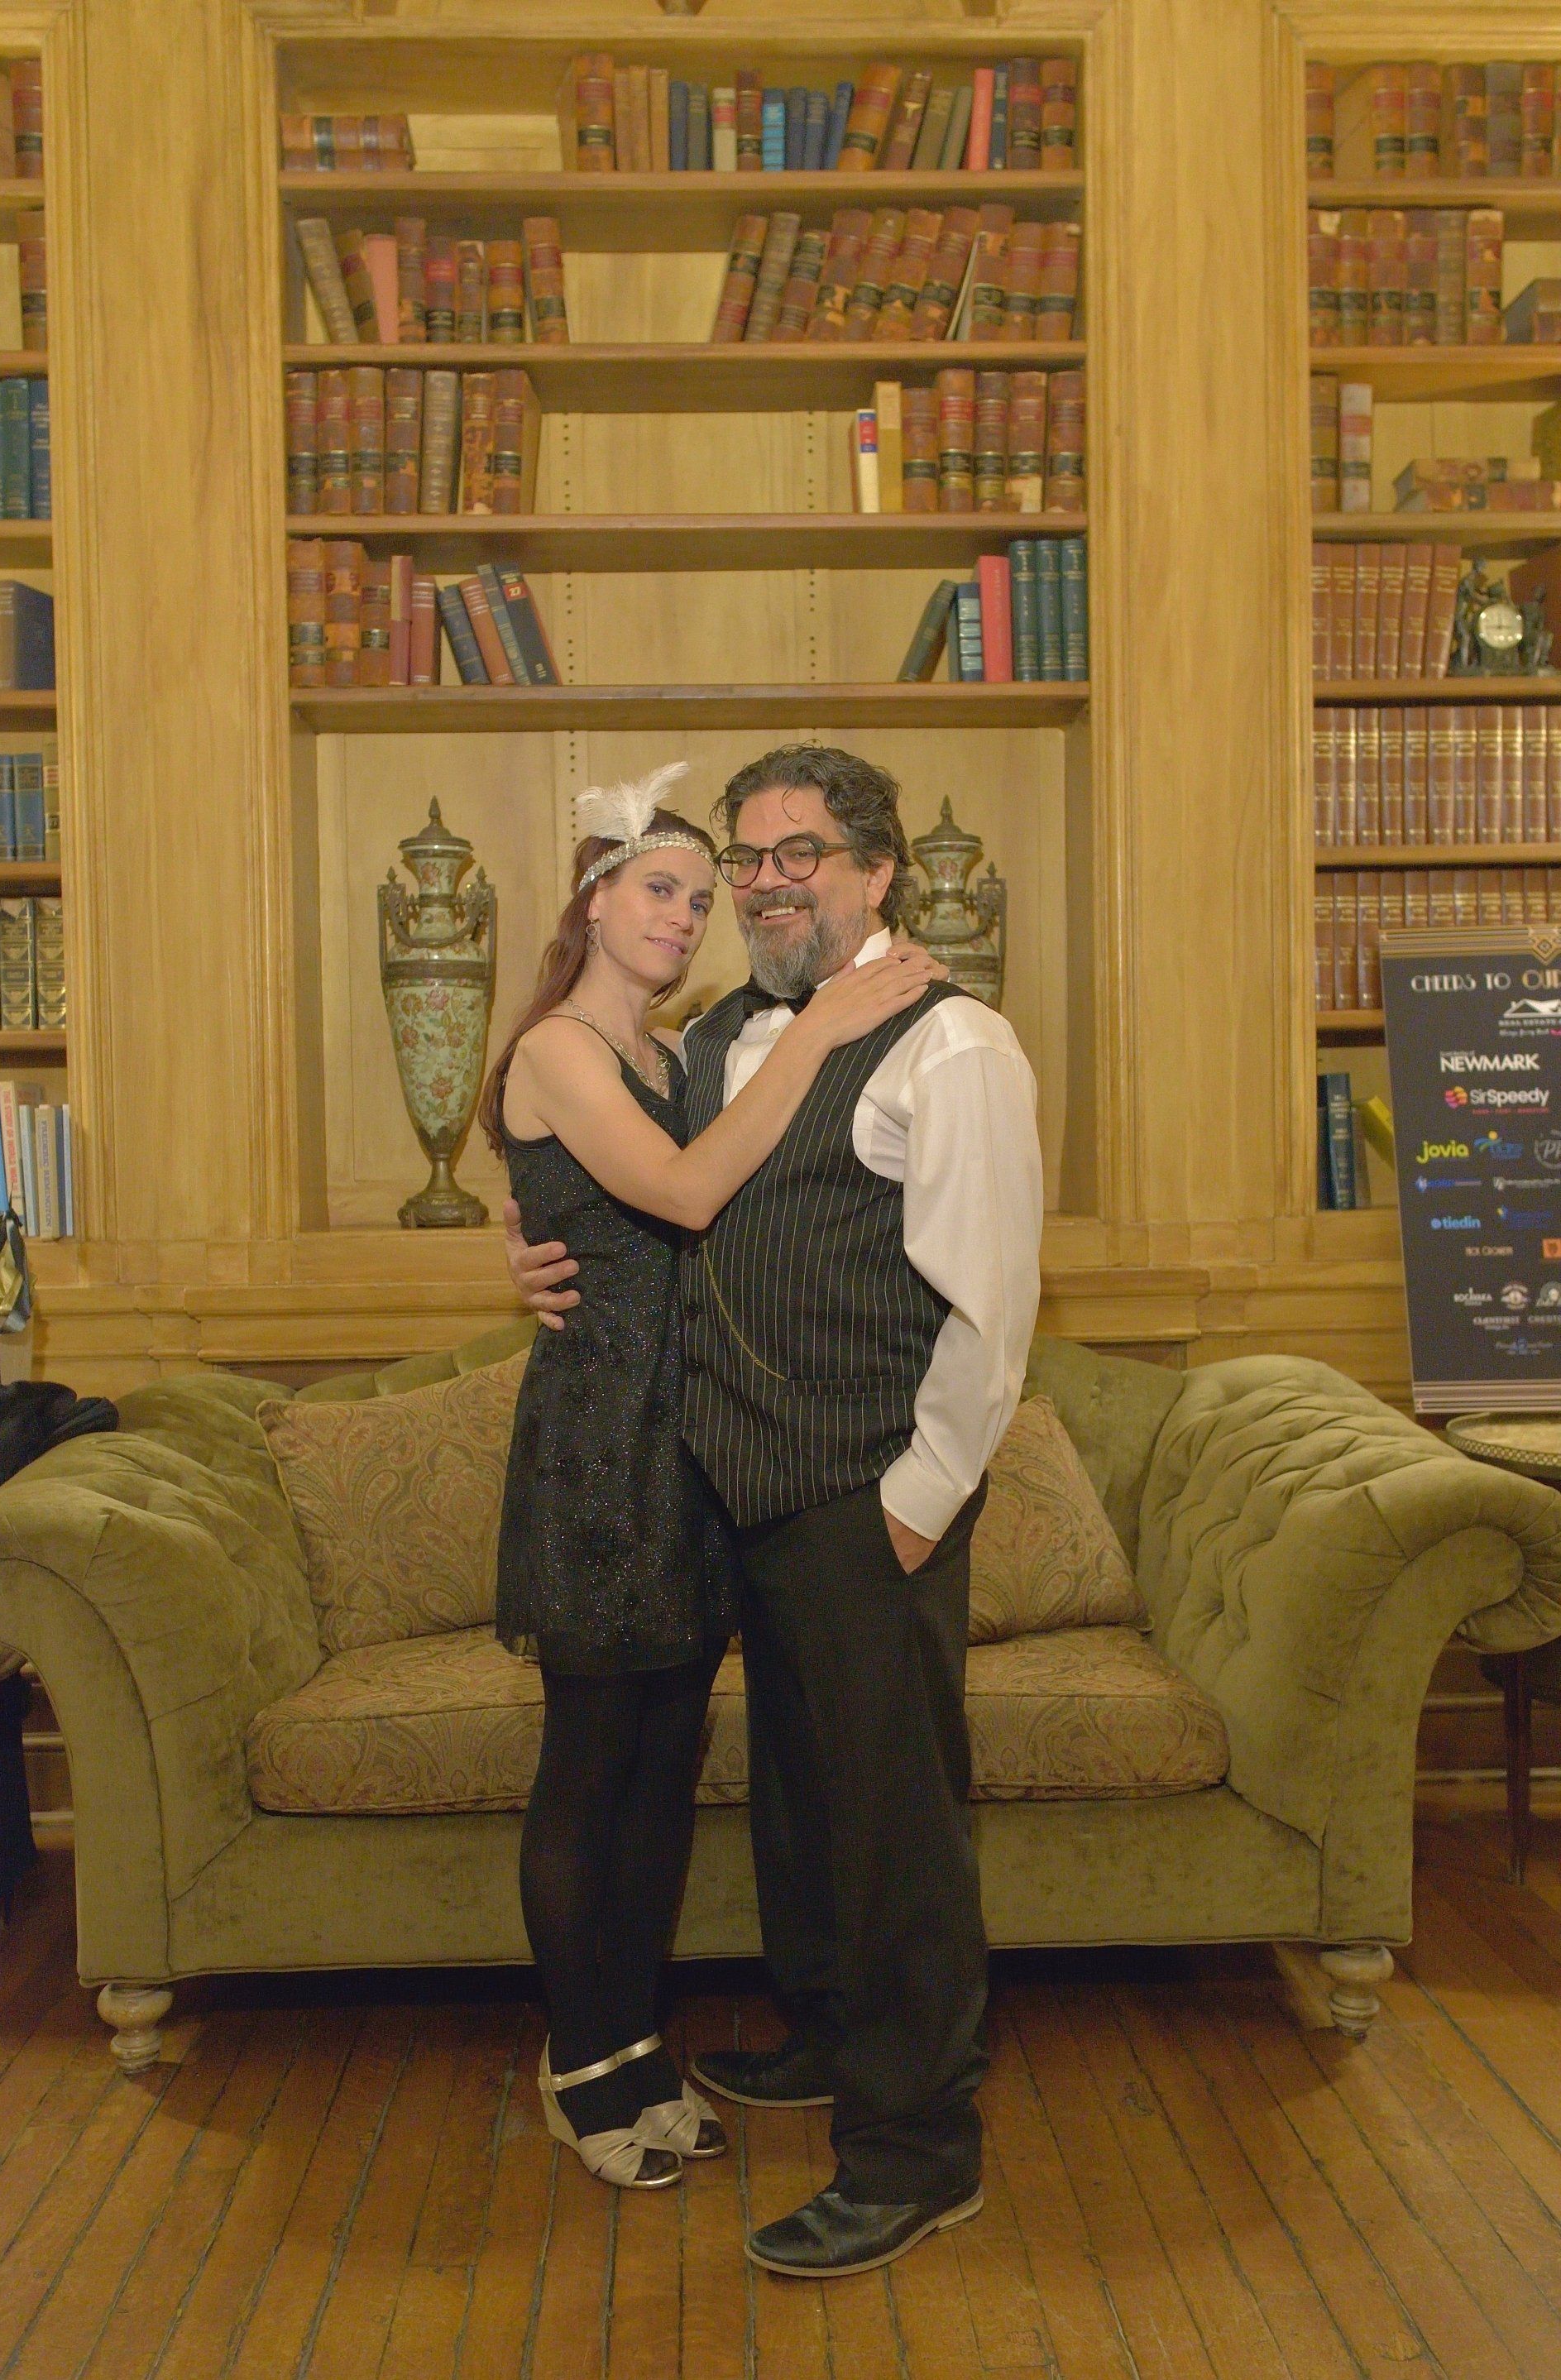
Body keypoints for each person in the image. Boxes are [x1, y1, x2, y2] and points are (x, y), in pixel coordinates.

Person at [505, 744, 1042, 2277]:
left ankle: (917, 2148)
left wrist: (919, 1502)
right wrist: (530, 1249)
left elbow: (993, 1305)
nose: (764, 883)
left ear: (879, 871)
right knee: (808, 1806)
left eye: (800, 852)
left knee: (892, 1830)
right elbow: (628, 1195)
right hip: (730, 1489)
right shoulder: (707, 1040)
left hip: (869, 1495)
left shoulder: (956, 1043)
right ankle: (827, 2033)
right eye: (748, 859)